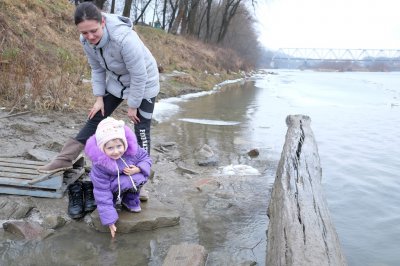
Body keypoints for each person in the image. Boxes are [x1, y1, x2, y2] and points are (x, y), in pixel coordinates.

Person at [38, 1, 159, 174]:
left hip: (145, 82)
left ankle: (141, 174)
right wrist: (99, 98)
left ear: (102, 22)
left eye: (93, 31)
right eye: (84, 32)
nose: (90, 37)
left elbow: (139, 76)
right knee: (96, 116)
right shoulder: (86, 41)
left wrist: (133, 105)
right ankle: (63, 160)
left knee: (141, 126)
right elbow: (97, 69)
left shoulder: (125, 39)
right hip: (117, 82)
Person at [85, 117, 152, 238]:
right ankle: (115, 200)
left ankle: (130, 198)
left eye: (119, 146)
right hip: (112, 187)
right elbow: (101, 191)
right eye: (110, 148)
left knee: (138, 177)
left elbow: (146, 159)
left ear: (124, 143)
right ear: (102, 148)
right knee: (108, 199)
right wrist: (109, 219)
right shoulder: (100, 165)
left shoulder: (133, 151)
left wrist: (138, 169)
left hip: (128, 180)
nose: (116, 151)